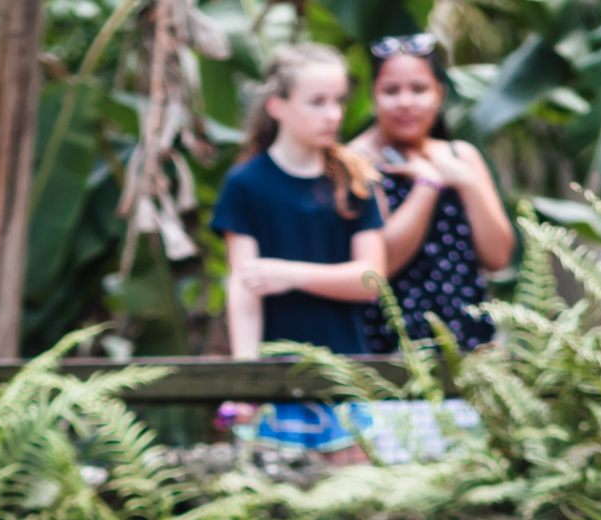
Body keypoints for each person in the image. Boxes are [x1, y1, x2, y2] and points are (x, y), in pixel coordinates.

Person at [213, 43, 385, 457]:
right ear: (277, 105)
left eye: (339, 101)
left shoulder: (355, 180)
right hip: (274, 386)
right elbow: (245, 288)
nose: (333, 114)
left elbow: (371, 279)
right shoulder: (245, 185)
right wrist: (246, 382)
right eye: (317, 102)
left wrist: (290, 274)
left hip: (347, 379)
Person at [347, 34, 514, 354]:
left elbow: (498, 258)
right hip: (386, 345)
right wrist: (427, 187)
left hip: (465, 339)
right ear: (373, 97)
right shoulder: (356, 162)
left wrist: (466, 181)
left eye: (419, 89)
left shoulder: (460, 156)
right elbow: (377, 269)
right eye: (391, 91)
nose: (406, 102)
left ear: (441, 94)